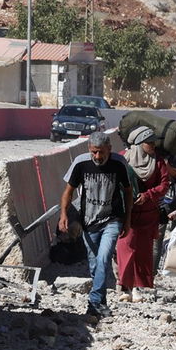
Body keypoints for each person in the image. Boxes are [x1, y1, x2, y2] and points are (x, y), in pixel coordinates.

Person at [58, 132, 133, 320]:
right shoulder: (81, 163)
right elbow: (68, 191)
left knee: (104, 258)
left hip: (112, 219)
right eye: (94, 152)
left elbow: (128, 191)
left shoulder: (119, 164)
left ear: (109, 149)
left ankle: (94, 302)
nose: (97, 157)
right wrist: (63, 215)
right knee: (94, 265)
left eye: (101, 152)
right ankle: (101, 301)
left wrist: (127, 219)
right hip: (89, 221)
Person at [115, 126, 176, 302]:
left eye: (153, 142)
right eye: (149, 143)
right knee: (125, 247)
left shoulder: (158, 162)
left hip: (148, 214)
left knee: (143, 252)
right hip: (127, 214)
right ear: (138, 144)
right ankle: (124, 285)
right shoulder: (123, 159)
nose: (152, 146)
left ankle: (137, 287)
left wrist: (148, 195)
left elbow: (164, 185)